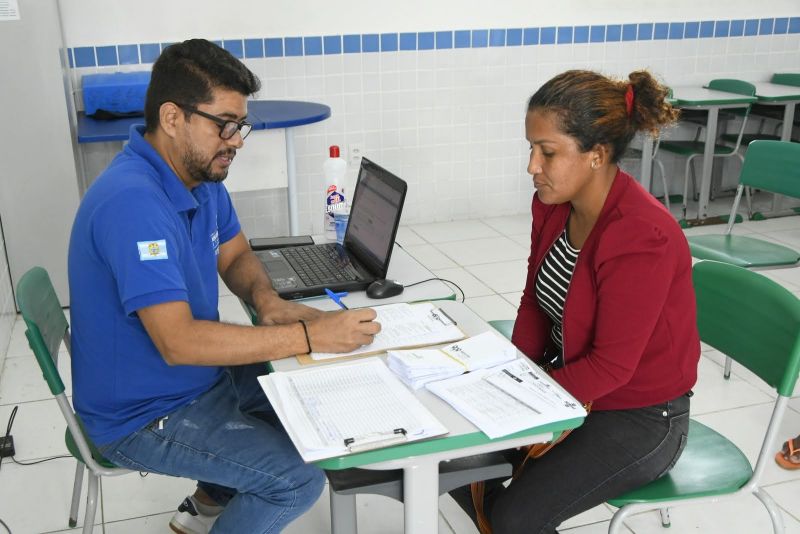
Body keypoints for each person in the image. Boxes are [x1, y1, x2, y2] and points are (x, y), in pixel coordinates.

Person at [67, 39, 380, 534]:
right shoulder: (133, 204)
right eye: (225, 125)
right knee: (296, 479)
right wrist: (309, 335)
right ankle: (221, 496)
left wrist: (267, 302)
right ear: (173, 118)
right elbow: (179, 342)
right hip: (143, 412)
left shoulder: (200, 178)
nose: (237, 140)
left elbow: (233, 253)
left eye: (241, 126)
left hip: (193, 379)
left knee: (311, 395)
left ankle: (207, 504)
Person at [452, 70, 701, 533]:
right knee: (451, 462)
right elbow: (534, 302)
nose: (532, 165)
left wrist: (522, 399)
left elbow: (612, 368)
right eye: (530, 149)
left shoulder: (640, 235)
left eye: (547, 152)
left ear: (596, 155)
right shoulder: (551, 203)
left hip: (643, 416)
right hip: (571, 382)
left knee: (516, 517)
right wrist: (512, 377)